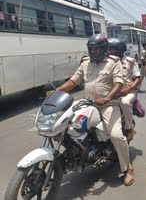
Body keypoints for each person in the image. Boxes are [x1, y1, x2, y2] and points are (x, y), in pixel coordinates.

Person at [46, 34, 134, 186]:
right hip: (87, 102)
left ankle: (128, 169)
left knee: (116, 135)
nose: (93, 51)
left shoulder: (113, 62)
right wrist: (57, 91)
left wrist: (107, 98)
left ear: (104, 49)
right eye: (91, 49)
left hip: (108, 104)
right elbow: (74, 81)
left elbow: (118, 83)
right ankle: (73, 151)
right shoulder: (86, 63)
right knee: (62, 120)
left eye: (96, 48)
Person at [109, 38, 140, 142]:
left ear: (120, 49)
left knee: (125, 102)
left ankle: (128, 127)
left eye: (112, 49)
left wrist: (127, 90)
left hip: (129, 92)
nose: (110, 51)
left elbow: (137, 79)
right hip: (113, 92)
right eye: (109, 49)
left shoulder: (130, 62)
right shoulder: (108, 62)